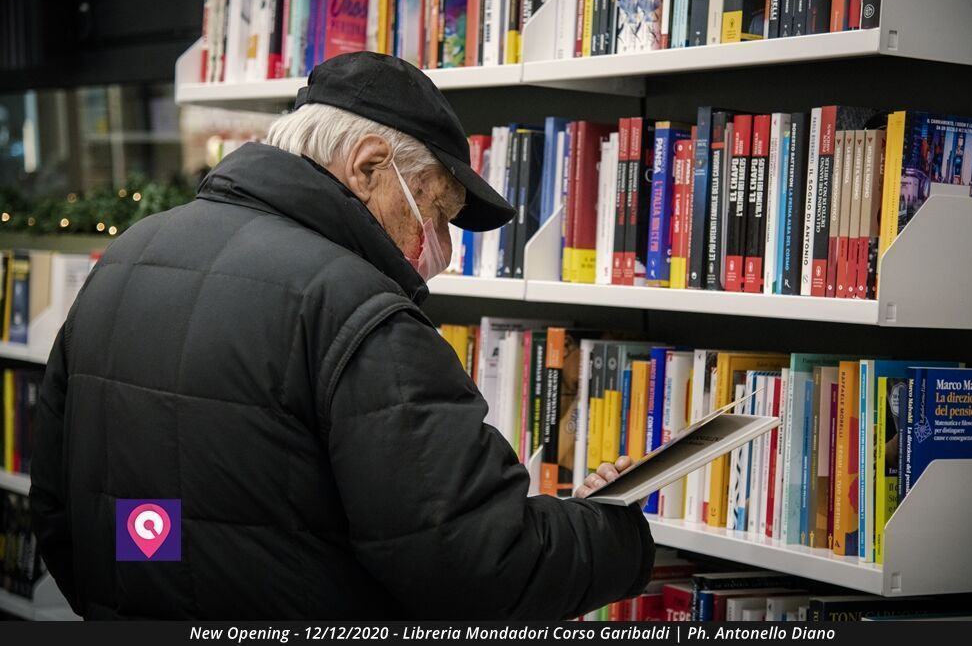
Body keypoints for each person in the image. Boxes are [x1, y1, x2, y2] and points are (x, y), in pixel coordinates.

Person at [30, 52, 654, 620]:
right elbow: (473, 565)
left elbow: (59, 511)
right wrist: (609, 533)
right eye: (437, 210)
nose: (440, 244)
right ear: (368, 167)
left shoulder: (126, 257)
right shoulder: (359, 311)